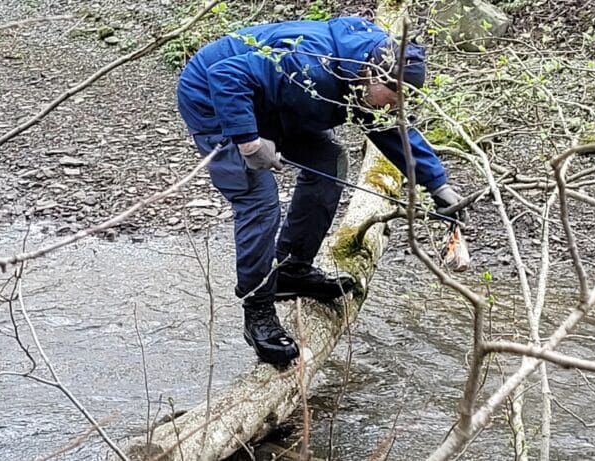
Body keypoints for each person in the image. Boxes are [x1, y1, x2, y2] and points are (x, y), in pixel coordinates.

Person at [176, 17, 465, 367]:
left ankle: (291, 269)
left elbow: (388, 128)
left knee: (329, 160)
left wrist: (438, 184)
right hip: (213, 94)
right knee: (261, 201)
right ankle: (258, 312)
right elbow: (225, 74)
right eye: (392, 98)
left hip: (272, 101)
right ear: (372, 75)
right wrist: (249, 140)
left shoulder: (369, 77)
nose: (394, 107)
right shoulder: (310, 65)